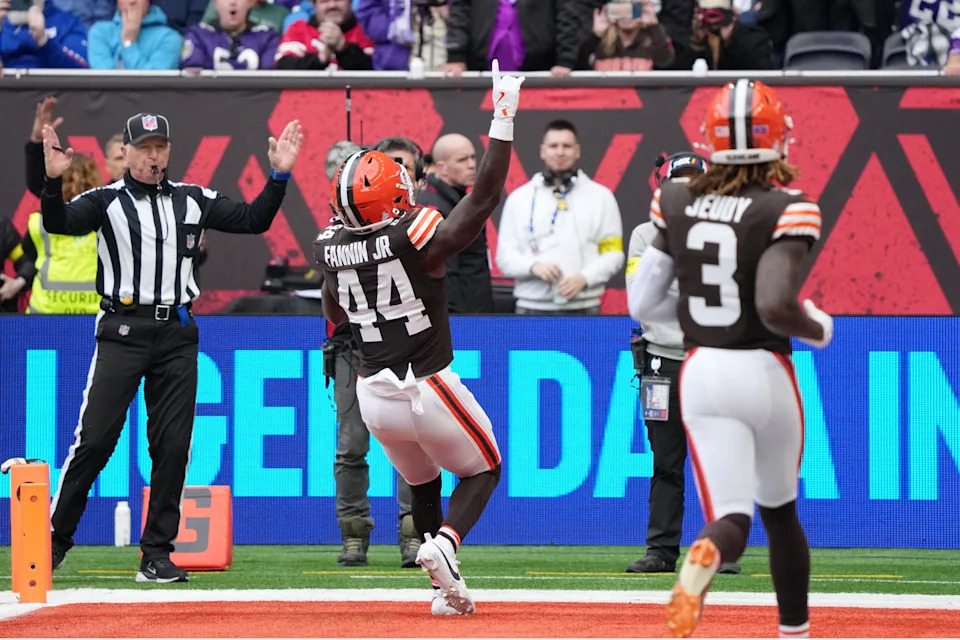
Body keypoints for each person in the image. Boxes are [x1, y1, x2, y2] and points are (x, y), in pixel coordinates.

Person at [41, 112, 303, 583]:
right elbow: (60, 224)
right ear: (125, 151)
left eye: (160, 146)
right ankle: (52, 542)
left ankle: (156, 553)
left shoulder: (193, 199)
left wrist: (279, 174)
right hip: (123, 328)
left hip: (177, 332)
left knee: (173, 445)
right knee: (96, 438)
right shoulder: (105, 201)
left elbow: (253, 219)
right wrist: (50, 182)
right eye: (144, 147)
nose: (153, 155)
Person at [314, 60, 523, 616]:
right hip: (425, 381)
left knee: (424, 484)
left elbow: (334, 314)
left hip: (373, 394)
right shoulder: (416, 229)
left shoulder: (331, 246)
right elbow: (480, 201)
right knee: (486, 468)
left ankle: (446, 594)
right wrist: (503, 116)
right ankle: (447, 544)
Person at [628, 79, 833, 639]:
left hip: (701, 369)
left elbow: (642, 302)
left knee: (731, 518)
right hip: (763, 369)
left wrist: (695, 303)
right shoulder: (789, 206)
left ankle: (701, 560)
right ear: (777, 141)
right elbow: (775, 305)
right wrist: (819, 326)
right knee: (780, 513)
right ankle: (794, 630)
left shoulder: (675, 199)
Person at [625, 151, 742, 577]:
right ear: (662, 186)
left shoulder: (728, 231)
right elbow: (642, 297)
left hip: (714, 357)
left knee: (721, 459)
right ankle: (661, 550)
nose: (686, 190)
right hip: (662, 362)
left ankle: (722, 550)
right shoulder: (644, 234)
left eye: (695, 181)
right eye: (679, 182)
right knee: (665, 461)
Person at [322, 137, 420, 569]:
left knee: (409, 444)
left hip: (401, 349)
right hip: (352, 348)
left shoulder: (408, 230)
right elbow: (332, 303)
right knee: (351, 444)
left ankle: (413, 532)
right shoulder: (333, 237)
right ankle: (354, 534)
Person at [496, 119, 624, 315]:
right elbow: (505, 258)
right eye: (553, 146)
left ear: (577, 151)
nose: (560, 152)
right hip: (531, 308)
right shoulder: (518, 199)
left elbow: (614, 254)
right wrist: (533, 267)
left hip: (584, 307)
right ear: (542, 151)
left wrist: (584, 278)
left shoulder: (601, 197)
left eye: (567, 146)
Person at [16, 154, 105, 314]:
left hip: (46, 313)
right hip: (95, 312)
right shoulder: (108, 220)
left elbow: (29, 257)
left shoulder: (39, 222)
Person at [416, 133, 491, 314]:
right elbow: (446, 273)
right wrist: (456, 319)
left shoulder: (458, 200)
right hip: (461, 318)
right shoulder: (434, 209)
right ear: (442, 168)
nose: (472, 165)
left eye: (473, 157)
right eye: (462, 160)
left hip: (475, 308)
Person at [180, 0, 279, 69]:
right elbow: (193, 78)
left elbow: (269, 79)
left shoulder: (267, 37)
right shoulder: (198, 35)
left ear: (249, 3)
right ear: (215, 3)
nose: (233, 2)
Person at [87, 0, 183, 69]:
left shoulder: (169, 38)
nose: (132, 1)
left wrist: (129, 43)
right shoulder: (100, 32)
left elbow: (150, 84)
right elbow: (106, 81)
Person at [0, 0, 89, 69]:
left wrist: (44, 41)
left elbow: (80, 72)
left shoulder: (67, 22)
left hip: (52, 89)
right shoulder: (6, 22)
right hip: (8, 88)